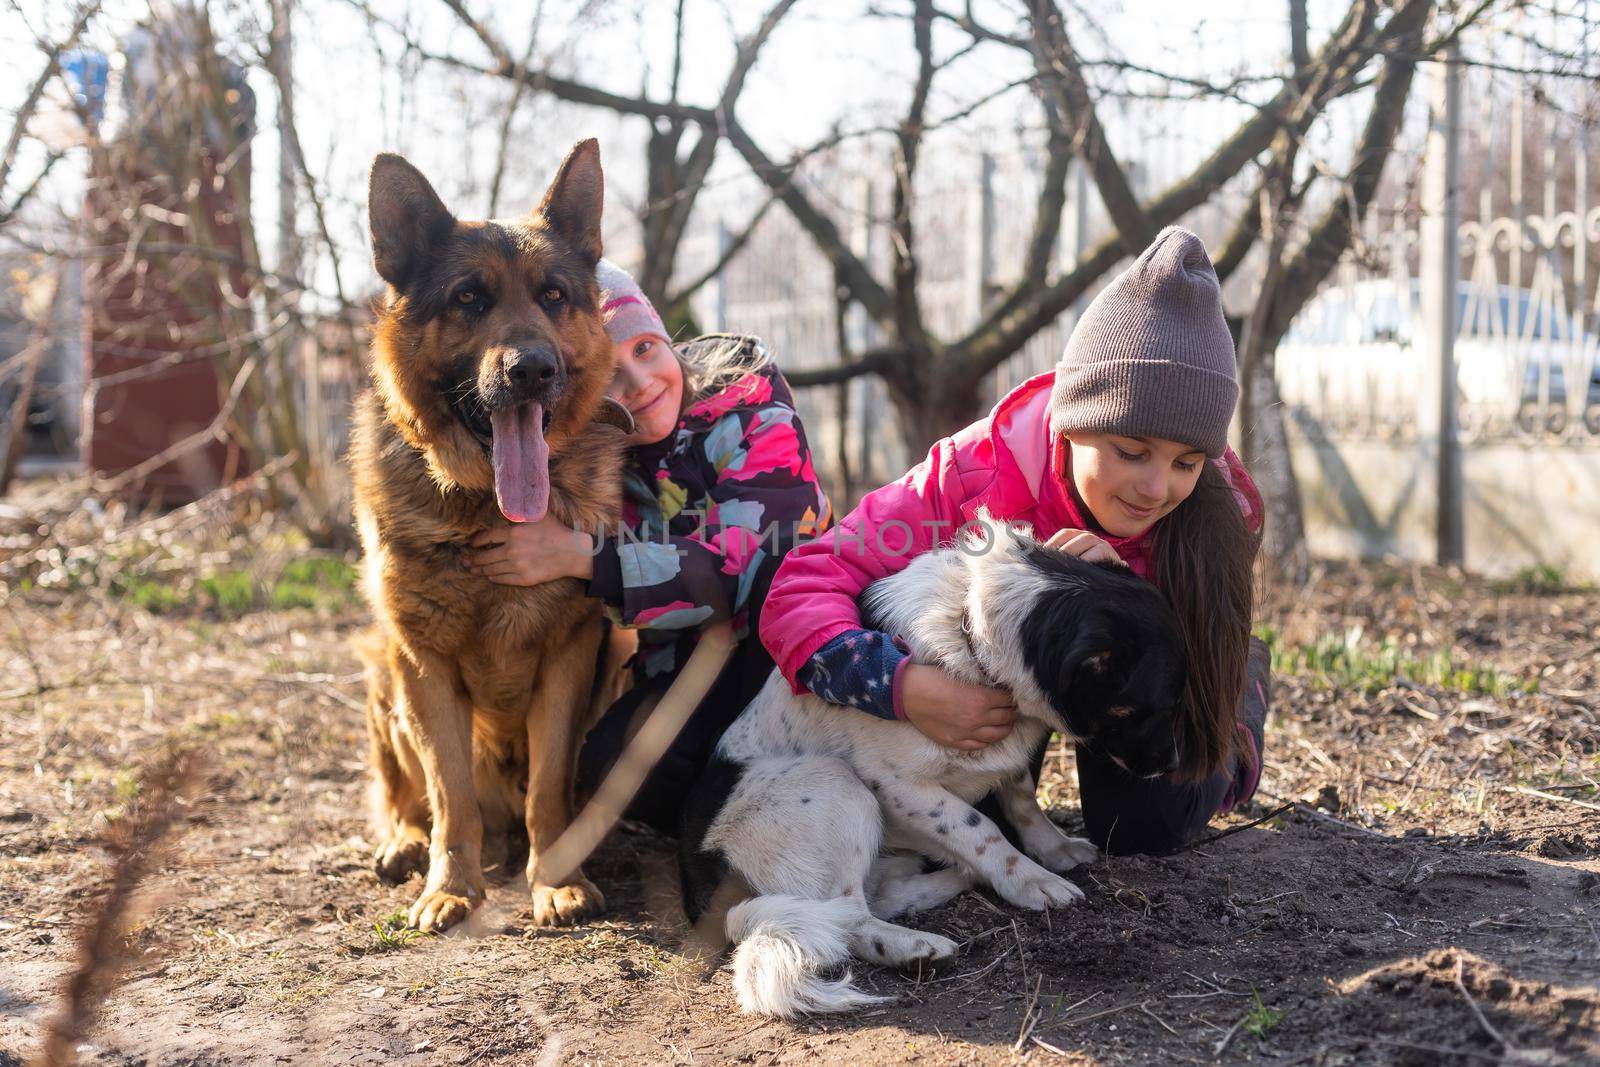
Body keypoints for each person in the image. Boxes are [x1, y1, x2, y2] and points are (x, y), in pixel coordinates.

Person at [758, 227, 1271, 855]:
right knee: (985, 823)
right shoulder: (970, 481)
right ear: (1073, 421)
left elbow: (1150, 683)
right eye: (1131, 451)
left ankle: (1239, 686)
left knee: (1144, 828)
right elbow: (801, 587)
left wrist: (1122, 605)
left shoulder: (1214, 519)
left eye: (1187, 462)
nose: (1156, 487)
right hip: (1010, 693)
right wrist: (902, 687)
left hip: (1139, 691)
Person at [463, 259, 833, 833]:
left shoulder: (753, 408)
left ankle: (792, 784)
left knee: (773, 575)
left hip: (791, 655)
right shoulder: (590, 451)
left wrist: (583, 557)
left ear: (666, 340)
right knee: (613, 768)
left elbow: (741, 569)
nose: (638, 386)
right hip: (688, 671)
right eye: (609, 373)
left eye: (645, 350)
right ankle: (728, 804)